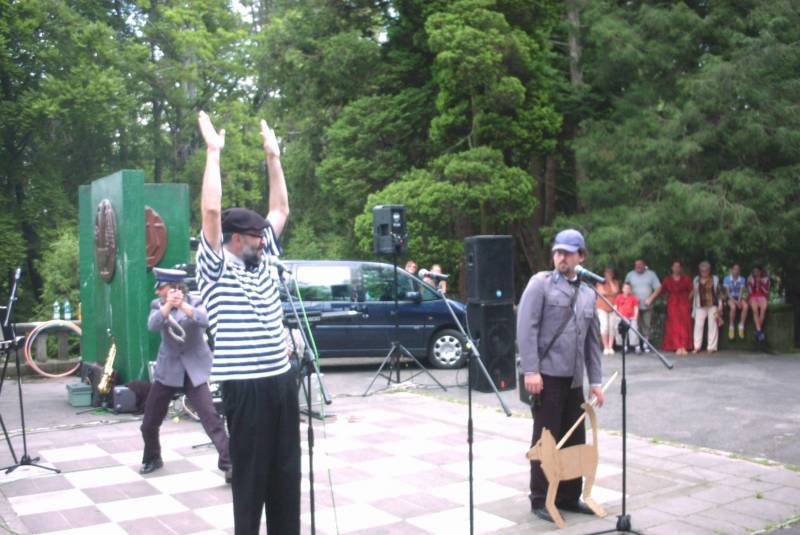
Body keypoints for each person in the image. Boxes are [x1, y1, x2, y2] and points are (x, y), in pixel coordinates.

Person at [195, 111, 299, 535]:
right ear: (236, 239)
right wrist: (213, 152)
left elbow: (281, 208)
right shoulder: (215, 265)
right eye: (256, 236)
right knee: (251, 479)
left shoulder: (263, 256)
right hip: (244, 385)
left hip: (281, 379)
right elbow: (211, 210)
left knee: (285, 475)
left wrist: (274, 157)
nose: (264, 238)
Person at [517, 228, 604, 524]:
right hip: (547, 376)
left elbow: (593, 342)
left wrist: (596, 382)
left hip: (574, 379)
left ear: (581, 257)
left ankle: (568, 496)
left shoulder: (588, 293)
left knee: (575, 438)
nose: (561, 257)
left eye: (567, 252)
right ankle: (541, 498)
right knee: (546, 439)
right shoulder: (540, 284)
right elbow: (526, 327)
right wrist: (531, 370)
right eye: (557, 251)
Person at [140, 268, 230, 479]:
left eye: (161, 288)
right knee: (149, 421)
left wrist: (183, 306)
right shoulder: (157, 305)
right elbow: (152, 325)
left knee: (211, 418)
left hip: (193, 369)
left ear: (175, 288)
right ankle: (152, 457)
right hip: (169, 369)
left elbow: (206, 320)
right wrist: (168, 306)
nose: (158, 292)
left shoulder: (196, 301)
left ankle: (229, 464)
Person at [651, 261, 693, 355]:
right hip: (672, 304)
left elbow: (692, 290)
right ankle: (677, 346)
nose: (676, 268)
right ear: (672, 268)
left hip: (684, 303)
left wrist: (688, 299)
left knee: (685, 324)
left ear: (680, 268)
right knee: (674, 325)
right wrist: (665, 300)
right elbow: (662, 291)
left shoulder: (686, 279)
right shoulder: (667, 279)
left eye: (678, 267)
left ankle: (684, 346)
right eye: (675, 267)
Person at [625, 260, 661, 352]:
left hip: (646, 304)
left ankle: (646, 344)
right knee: (634, 325)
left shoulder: (651, 274)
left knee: (646, 324)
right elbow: (625, 287)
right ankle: (636, 345)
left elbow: (658, 288)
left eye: (640, 265)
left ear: (644, 265)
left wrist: (650, 298)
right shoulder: (630, 275)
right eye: (636, 265)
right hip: (633, 306)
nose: (638, 266)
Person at [690, 261, 723, 354]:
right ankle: (697, 346)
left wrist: (720, 305)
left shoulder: (714, 279)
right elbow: (693, 293)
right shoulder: (696, 280)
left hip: (712, 304)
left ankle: (711, 347)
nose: (704, 272)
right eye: (702, 270)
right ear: (700, 271)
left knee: (713, 325)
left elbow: (719, 293)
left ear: (709, 270)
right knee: (698, 325)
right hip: (699, 305)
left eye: (706, 270)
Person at [595, 267, 620, 355]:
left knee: (612, 327)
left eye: (610, 273)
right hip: (602, 307)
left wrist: (610, 282)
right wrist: (611, 294)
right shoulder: (600, 282)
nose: (608, 274)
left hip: (613, 308)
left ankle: (610, 347)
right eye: (607, 273)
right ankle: (605, 347)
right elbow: (602, 293)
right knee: (604, 326)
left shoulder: (615, 282)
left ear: (613, 274)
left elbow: (615, 291)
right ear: (604, 274)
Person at [723, 264, 748, 340]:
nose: (736, 271)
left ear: (739, 271)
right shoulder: (727, 279)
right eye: (735, 269)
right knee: (733, 307)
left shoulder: (742, 279)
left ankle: (741, 325)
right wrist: (736, 303)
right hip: (730, 297)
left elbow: (741, 291)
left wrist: (739, 301)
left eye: (738, 269)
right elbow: (728, 293)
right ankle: (731, 327)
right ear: (732, 270)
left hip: (739, 297)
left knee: (746, 306)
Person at [613, 283, 640, 353]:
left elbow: (636, 308)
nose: (626, 290)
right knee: (618, 327)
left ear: (630, 290)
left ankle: (636, 346)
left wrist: (635, 317)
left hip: (631, 317)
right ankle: (624, 346)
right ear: (622, 289)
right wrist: (615, 316)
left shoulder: (633, 298)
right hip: (621, 317)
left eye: (628, 288)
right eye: (625, 288)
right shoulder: (619, 297)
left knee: (634, 328)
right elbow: (615, 307)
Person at [747, 265, 771, 342]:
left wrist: (760, 282)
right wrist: (750, 282)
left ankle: (758, 331)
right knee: (755, 310)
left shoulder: (766, 279)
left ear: (760, 272)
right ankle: (760, 331)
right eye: (754, 272)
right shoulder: (751, 279)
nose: (756, 273)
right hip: (753, 296)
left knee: (763, 309)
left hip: (762, 296)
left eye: (757, 271)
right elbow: (750, 291)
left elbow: (766, 291)